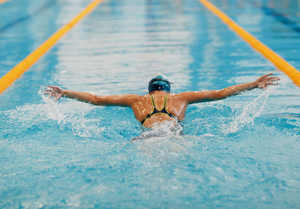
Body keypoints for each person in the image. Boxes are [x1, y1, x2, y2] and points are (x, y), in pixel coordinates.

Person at [44, 73, 279, 129]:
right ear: (168, 90)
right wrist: (253, 84)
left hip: (146, 134)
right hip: (173, 131)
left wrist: (65, 92)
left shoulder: (136, 100)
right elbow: (221, 93)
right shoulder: (180, 98)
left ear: (150, 91)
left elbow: (98, 99)